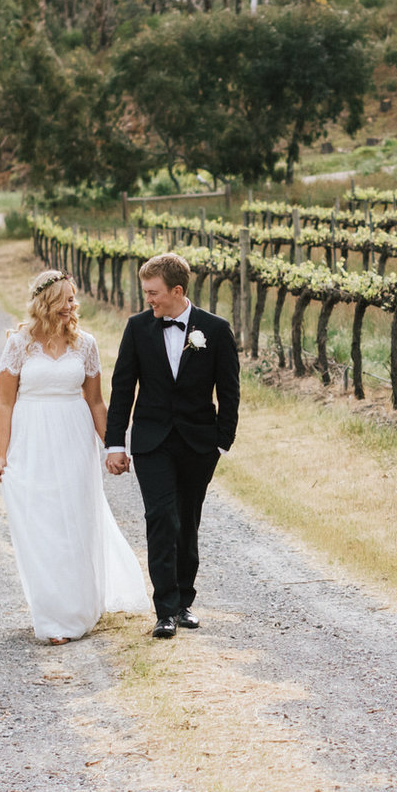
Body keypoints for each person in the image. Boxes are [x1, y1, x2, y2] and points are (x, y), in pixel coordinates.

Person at [0, 270, 149, 644]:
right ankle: (52, 615)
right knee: (41, 523)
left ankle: (79, 605)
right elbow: (4, 403)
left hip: (74, 440)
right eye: (64, 299)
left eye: (73, 298)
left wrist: (114, 446)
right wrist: (1, 454)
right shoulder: (19, 345)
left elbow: (96, 402)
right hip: (32, 440)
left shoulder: (86, 345)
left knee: (78, 520)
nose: (71, 305)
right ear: (45, 303)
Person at [102, 252, 239, 638]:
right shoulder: (138, 328)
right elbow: (123, 387)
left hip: (199, 444)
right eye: (146, 292)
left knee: (187, 521)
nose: (149, 300)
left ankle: (184, 603)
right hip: (151, 441)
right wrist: (115, 442)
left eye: (153, 293)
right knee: (161, 517)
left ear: (177, 291)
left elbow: (229, 392)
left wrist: (221, 444)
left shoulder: (215, 329)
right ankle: (164, 609)